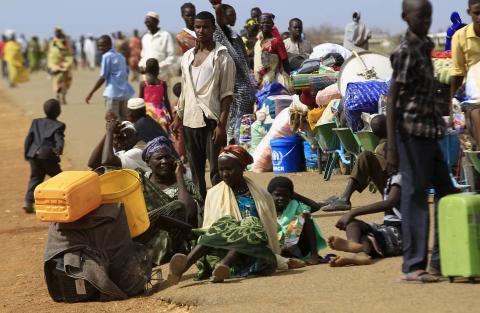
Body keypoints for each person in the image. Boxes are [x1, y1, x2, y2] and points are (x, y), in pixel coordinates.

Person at [386, 0, 456, 283]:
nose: (425, 20)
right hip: (410, 133)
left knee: (447, 193)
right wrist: (391, 146)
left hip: (430, 131)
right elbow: (392, 99)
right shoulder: (404, 51)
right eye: (419, 16)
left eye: (428, 15)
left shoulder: (425, 45)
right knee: (415, 197)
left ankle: (440, 260)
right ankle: (413, 266)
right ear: (405, 17)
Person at [167, 145, 281, 284]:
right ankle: (185, 265)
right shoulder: (214, 194)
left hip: (254, 252)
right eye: (221, 170)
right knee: (225, 222)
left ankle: (224, 265)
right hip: (220, 249)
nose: (225, 174)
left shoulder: (262, 195)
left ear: (242, 168)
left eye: (229, 169)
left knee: (252, 225)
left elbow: (270, 229)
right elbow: (209, 227)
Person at [171, 11, 236, 201]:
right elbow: (185, 91)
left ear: (213, 28)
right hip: (190, 120)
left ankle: (220, 208)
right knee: (196, 170)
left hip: (211, 121)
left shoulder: (222, 56)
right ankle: (202, 209)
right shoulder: (187, 57)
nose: (201, 30)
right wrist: (178, 117)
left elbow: (226, 95)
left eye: (205, 26)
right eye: (197, 27)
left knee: (216, 171)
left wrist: (222, 126)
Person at [134, 136, 204, 265]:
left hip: (172, 237)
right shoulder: (141, 182)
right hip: (145, 233)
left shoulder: (184, 183)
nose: (164, 161)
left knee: (177, 207)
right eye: (159, 158)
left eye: (168, 157)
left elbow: (189, 213)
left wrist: (179, 176)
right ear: (148, 162)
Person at [328, 173, 402, 267]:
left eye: (387, 157)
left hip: (403, 233)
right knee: (353, 223)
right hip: (388, 227)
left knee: (370, 237)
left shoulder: (402, 176)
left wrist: (353, 212)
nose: (385, 158)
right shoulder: (393, 176)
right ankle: (354, 246)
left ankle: (361, 251)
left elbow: (389, 203)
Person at [322, 115, 388, 212]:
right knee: (366, 157)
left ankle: (344, 198)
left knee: (365, 156)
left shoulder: (388, 146)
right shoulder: (389, 144)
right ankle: (343, 197)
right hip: (394, 187)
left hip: (397, 191)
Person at [211, 1, 256, 144]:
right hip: (232, 86)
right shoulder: (220, 34)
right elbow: (218, 22)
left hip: (244, 87)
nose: (234, 18)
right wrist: (218, 6)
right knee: (232, 118)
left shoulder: (234, 35)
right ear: (223, 17)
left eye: (235, 15)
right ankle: (232, 144)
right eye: (231, 15)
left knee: (245, 119)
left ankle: (244, 146)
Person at [268, 177, 327, 265]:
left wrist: (296, 196)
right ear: (269, 195)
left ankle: (314, 255)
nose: (281, 198)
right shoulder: (265, 208)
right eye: (277, 195)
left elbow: (315, 207)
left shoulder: (295, 205)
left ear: (291, 196)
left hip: (296, 247)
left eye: (285, 195)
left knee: (306, 217)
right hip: (276, 248)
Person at [24, 99, 65, 213]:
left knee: (35, 178)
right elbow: (59, 139)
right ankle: (66, 200)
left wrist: (27, 154)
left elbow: (29, 138)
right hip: (48, 157)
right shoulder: (59, 125)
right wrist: (59, 148)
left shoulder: (36, 122)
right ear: (59, 111)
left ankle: (28, 201)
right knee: (60, 178)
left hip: (34, 155)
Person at [451, 0, 480, 146]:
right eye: (477, 13)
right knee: (472, 115)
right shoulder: (460, 37)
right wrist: (452, 105)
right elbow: (457, 74)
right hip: (471, 92)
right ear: (469, 13)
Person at [85, 35, 134, 121]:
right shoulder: (120, 56)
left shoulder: (106, 56)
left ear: (110, 45)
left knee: (113, 121)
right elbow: (126, 72)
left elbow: (103, 76)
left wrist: (91, 93)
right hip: (125, 93)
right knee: (126, 120)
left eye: (102, 45)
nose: (100, 48)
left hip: (112, 93)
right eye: (99, 46)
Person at [254, 13, 292, 90]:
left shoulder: (277, 41)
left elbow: (285, 61)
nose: (265, 25)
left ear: (272, 24)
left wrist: (289, 79)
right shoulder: (258, 42)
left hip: (274, 81)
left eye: (268, 23)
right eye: (262, 23)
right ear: (259, 25)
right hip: (258, 81)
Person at [139, 12, 176, 80]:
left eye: (149, 21)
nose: (147, 23)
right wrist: (141, 65)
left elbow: (171, 56)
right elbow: (143, 56)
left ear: (156, 22)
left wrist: (157, 66)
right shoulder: (145, 37)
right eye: (146, 22)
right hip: (147, 76)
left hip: (162, 75)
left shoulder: (165, 35)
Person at [139, 58, 172, 132]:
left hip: (148, 111)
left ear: (147, 70)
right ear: (158, 69)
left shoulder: (143, 84)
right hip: (160, 111)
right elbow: (166, 100)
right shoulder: (162, 83)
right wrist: (171, 116)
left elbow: (140, 101)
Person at [48, 28, 74, 105]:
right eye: (56, 32)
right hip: (55, 65)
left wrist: (67, 62)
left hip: (65, 64)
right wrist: (51, 65)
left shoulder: (65, 42)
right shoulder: (53, 42)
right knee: (57, 81)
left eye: (58, 32)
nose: (57, 33)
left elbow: (69, 52)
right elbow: (51, 54)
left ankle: (63, 96)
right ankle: (58, 96)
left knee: (66, 82)